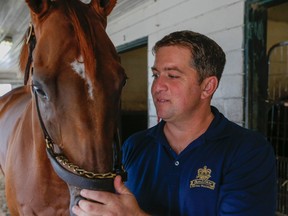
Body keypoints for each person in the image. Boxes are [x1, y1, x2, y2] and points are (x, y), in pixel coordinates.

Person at [72, 30, 277, 215]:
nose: (157, 86)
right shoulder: (135, 145)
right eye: (155, 75)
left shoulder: (248, 151)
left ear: (207, 87)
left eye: (172, 75)